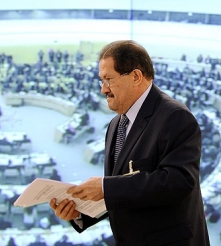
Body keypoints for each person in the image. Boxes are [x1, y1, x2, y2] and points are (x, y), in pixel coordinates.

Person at [50, 40, 210, 245]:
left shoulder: (174, 116)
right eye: (101, 81)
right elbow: (123, 191)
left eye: (108, 79)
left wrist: (106, 188)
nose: (103, 90)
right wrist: (79, 212)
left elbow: (178, 181)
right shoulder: (116, 124)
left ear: (136, 76)